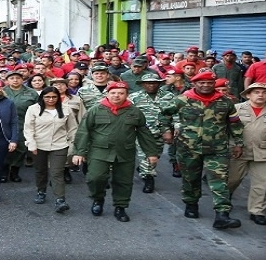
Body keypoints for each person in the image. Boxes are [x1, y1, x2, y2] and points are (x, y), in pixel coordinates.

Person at [159, 71, 245, 229]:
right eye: (201, 83)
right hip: (188, 148)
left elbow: (235, 123)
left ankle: (222, 214)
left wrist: (239, 143)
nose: (205, 86)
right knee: (190, 179)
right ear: (194, 84)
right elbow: (164, 114)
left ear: (214, 84)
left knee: (220, 180)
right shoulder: (183, 99)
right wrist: (166, 131)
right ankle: (191, 204)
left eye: (209, 83)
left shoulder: (225, 101)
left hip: (217, 148)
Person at [72, 81, 160, 222]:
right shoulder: (95, 110)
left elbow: (144, 133)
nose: (117, 96)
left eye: (121, 93)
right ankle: (98, 199)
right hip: (99, 152)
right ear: (108, 94)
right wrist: (79, 152)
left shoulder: (134, 111)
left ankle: (121, 206)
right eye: (113, 93)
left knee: (123, 181)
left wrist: (151, 153)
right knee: (95, 178)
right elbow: (83, 131)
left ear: (126, 95)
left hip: (125, 152)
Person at [227, 83, 266, 225]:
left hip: (264, 152)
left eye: (264, 92)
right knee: (232, 180)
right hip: (238, 151)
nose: (260, 95)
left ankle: (257, 211)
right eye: (256, 92)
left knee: (262, 184)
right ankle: (224, 202)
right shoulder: (236, 109)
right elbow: (226, 130)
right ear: (249, 94)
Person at [23, 86, 78, 212]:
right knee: (40, 170)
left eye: (54, 97)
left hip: (60, 145)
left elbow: (72, 128)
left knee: (57, 172)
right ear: (42, 97)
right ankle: (41, 191)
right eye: (47, 97)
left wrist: (72, 144)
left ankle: (60, 200)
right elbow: (28, 128)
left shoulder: (66, 109)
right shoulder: (33, 109)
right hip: (39, 145)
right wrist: (31, 144)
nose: (51, 99)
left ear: (58, 97)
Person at [128, 75, 174, 194]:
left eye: (154, 83)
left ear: (159, 84)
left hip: (161, 131)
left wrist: (174, 128)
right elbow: (129, 113)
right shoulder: (134, 97)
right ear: (143, 84)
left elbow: (175, 113)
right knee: (146, 155)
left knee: (156, 154)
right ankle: (149, 178)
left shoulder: (168, 96)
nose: (151, 85)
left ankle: (144, 169)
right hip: (142, 132)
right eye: (148, 83)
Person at [2, 70, 39, 183]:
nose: (15, 80)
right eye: (12, 78)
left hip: (24, 124)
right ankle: (4, 171)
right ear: (7, 80)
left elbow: (38, 109)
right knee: (4, 148)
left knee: (21, 149)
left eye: (18, 78)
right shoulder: (1, 91)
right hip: (4, 125)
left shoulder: (32, 93)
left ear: (22, 79)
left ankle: (15, 171)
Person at [50, 77, 85, 182]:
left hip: (70, 129)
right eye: (55, 85)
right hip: (52, 130)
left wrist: (82, 130)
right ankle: (55, 175)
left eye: (62, 84)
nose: (59, 86)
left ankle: (65, 170)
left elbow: (82, 116)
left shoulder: (76, 99)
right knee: (53, 153)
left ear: (66, 86)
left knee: (69, 152)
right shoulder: (47, 99)